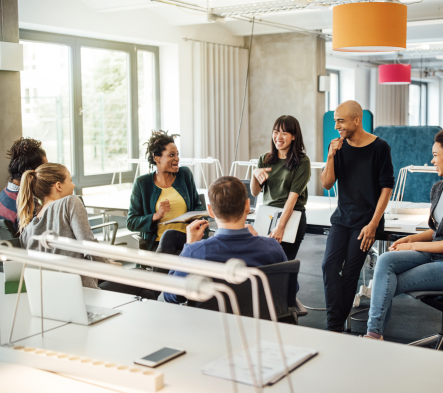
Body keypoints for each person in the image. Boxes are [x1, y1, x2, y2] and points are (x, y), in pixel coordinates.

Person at [363, 127, 443, 340]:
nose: (432, 161)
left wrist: (412, 246)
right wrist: (411, 238)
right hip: (436, 255)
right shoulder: (438, 188)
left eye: (436, 155)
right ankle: (375, 333)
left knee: (387, 283)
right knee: (385, 260)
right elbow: (438, 231)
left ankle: (374, 334)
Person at [17, 163, 156, 299]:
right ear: (58, 186)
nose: (74, 185)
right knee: (144, 276)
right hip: (85, 295)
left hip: (54, 298)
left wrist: (107, 262)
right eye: (70, 180)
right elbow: (88, 245)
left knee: (146, 293)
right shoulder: (69, 202)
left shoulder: (27, 230)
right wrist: (110, 267)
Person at [320, 100, 394, 332]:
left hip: (366, 222)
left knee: (350, 274)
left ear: (357, 120)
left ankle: (334, 328)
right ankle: (336, 326)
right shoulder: (339, 147)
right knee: (328, 266)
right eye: (335, 121)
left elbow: (386, 188)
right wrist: (331, 156)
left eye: (340, 121)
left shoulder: (380, 147)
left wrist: (373, 224)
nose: (336, 126)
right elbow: (327, 183)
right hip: (342, 218)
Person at [163, 176, 287, 304]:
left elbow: (171, 296)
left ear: (210, 211)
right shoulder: (272, 248)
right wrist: (262, 243)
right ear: (247, 206)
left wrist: (188, 246)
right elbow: (289, 291)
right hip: (258, 322)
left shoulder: (195, 252)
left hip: (210, 323)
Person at [127, 131, 205, 262]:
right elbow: (131, 222)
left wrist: (194, 216)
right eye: (171, 155)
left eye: (177, 154)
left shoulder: (185, 175)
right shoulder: (142, 183)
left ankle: (158, 278)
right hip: (159, 245)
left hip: (186, 239)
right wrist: (156, 216)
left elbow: (197, 205)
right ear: (156, 158)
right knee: (179, 259)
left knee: (179, 260)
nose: (177, 158)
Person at [251, 115, 311, 261]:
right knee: (265, 265)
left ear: (294, 137)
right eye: (276, 131)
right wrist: (254, 173)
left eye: (284, 133)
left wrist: (280, 226)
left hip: (291, 217)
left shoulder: (302, 162)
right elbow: (255, 192)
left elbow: (292, 199)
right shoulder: (264, 159)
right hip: (267, 214)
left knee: (284, 265)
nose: (278, 136)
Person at [0, 137, 47, 232]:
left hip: (6, 246)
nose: (47, 173)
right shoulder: (27, 205)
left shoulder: (4, 194)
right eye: (44, 169)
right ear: (31, 175)